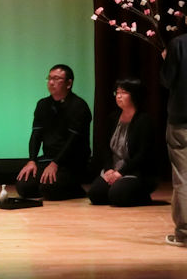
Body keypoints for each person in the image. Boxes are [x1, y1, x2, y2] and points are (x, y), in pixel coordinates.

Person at [15, 64, 92, 200]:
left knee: (49, 188)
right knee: (24, 186)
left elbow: (73, 141)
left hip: (71, 161)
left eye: (56, 79)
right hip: (49, 158)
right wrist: (32, 161)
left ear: (69, 83)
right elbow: (36, 135)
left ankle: (75, 189)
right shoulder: (43, 104)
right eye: (49, 78)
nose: (51, 82)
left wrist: (55, 163)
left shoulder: (79, 106)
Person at [87, 78, 157, 206]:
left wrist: (121, 172)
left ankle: (141, 194)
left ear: (135, 95)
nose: (118, 96)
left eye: (123, 92)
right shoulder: (113, 118)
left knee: (117, 195)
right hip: (114, 168)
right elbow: (105, 148)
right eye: (117, 92)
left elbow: (142, 155)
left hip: (135, 171)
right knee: (95, 194)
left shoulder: (144, 120)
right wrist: (108, 169)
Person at [161, 34, 187, 247]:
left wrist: (166, 59)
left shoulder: (179, 44)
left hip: (182, 119)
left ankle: (185, 233)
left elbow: (167, 80)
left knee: (183, 177)